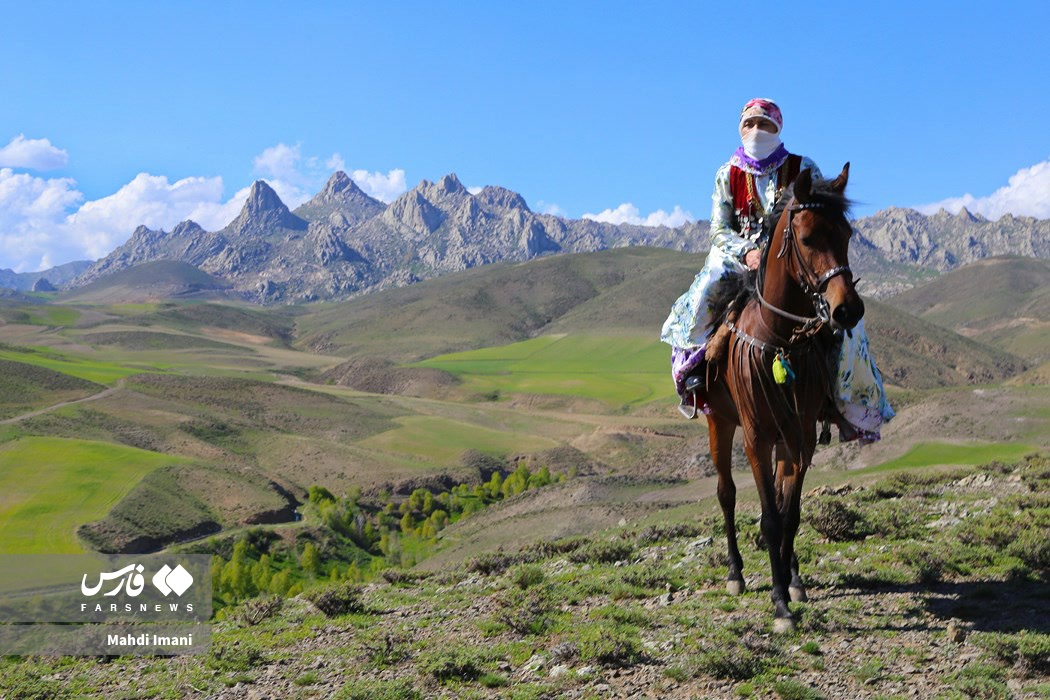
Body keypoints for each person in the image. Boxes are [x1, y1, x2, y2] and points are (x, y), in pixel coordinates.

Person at [660, 98, 894, 441]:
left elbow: (820, 214)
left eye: (764, 125)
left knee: (846, 323)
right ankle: (696, 372)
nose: (756, 131)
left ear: (777, 129)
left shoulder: (804, 167)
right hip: (740, 255)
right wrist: (747, 251)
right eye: (749, 125)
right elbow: (719, 229)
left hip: (794, 255)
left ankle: (844, 395)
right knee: (701, 297)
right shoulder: (727, 173)